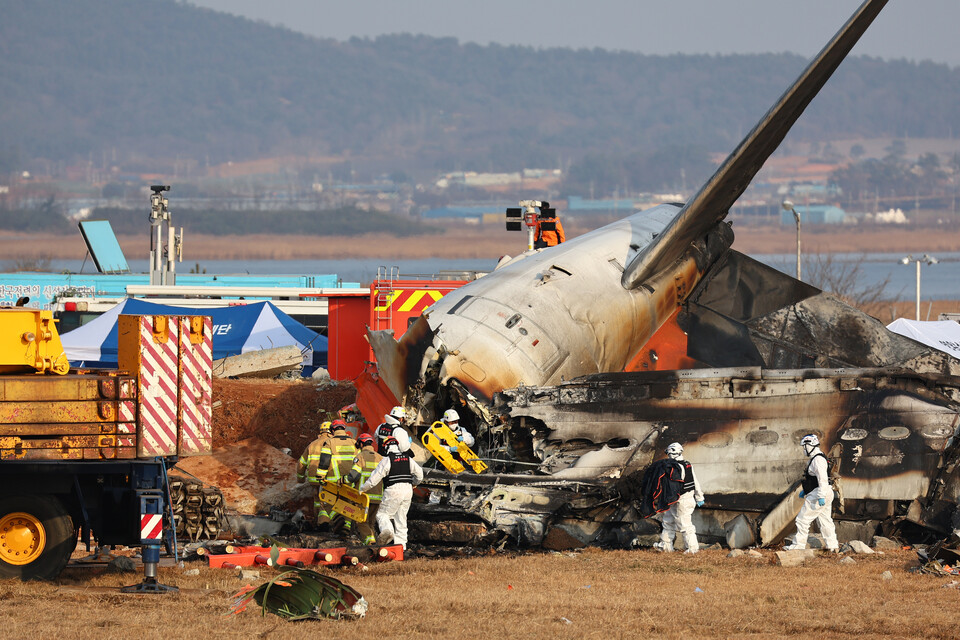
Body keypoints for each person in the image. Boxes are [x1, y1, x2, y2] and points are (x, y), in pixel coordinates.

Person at [360, 436, 424, 549]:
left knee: (382, 514)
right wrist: (414, 483)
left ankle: (387, 531)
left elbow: (374, 479)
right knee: (401, 518)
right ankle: (402, 547)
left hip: (393, 490)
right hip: (408, 489)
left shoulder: (387, 460)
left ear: (386, 447)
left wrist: (362, 489)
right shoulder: (408, 458)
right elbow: (420, 474)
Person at [785, 434, 839, 552]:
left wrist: (820, 496)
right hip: (822, 492)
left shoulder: (817, 460)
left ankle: (798, 546)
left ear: (810, 446)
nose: (804, 450)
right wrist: (806, 490)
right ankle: (833, 546)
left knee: (802, 519)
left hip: (819, 493)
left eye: (804, 447)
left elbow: (822, 479)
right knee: (825, 521)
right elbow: (814, 479)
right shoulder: (817, 458)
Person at [657, 442, 704, 554]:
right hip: (680, 499)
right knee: (668, 521)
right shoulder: (687, 464)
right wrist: (699, 497)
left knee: (685, 525)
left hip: (681, 500)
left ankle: (693, 549)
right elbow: (695, 482)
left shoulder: (673, 467)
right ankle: (665, 546)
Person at [317, 420, 359, 532]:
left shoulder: (329, 442)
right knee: (348, 504)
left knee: (327, 501)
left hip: (333, 480)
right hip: (349, 480)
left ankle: (337, 518)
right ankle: (346, 528)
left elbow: (324, 461)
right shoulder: (354, 442)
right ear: (344, 429)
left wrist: (320, 476)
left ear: (332, 430)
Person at [344, 433, 383, 545]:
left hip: (363, 497)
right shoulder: (380, 457)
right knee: (370, 523)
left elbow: (354, 476)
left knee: (361, 521)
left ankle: (370, 543)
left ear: (361, 443)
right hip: (377, 497)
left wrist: (343, 480)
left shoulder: (360, 457)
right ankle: (375, 542)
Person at [295, 420, 333, 527]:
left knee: (317, 499)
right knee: (325, 502)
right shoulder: (332, 443)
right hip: (326, 479)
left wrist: (301, 479)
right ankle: (324, 523)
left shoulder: (312, 444)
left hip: (313, 479)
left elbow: (301, 463)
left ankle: (317, 520)